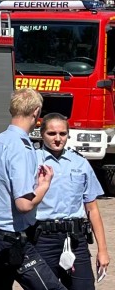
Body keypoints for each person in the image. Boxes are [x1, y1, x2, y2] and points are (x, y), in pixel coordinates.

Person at [0, 88, 65, 289]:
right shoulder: (21, 148)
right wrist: (44, 185)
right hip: (9, 238)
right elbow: (24, 204)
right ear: (36, 111)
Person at [34, 113, 110, 289]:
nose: (58, 139)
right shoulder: (32, 160)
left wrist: (103, 250)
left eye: (63, 134)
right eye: (51, 133)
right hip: (43, 239)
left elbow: (92, 209)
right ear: (42, 134)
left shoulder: (80, 163)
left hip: (75, 240)